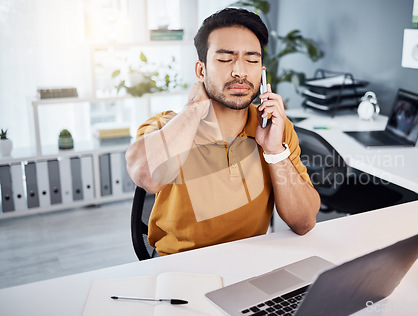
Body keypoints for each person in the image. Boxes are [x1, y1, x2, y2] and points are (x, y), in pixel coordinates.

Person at [126, 8, 320, 256]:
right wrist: (194, 110)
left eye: (252, 60)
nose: (240, 71)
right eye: (226, 59)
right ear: (201, 71)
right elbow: (147, 178)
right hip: (179, 266)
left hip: (247, 264)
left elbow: (304, 223)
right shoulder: (167, 126)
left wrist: (274, 152)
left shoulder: (275, 129)